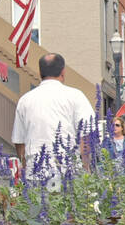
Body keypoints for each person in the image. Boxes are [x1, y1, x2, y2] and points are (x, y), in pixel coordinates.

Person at [11, 53, 96, 188]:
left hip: (35, 172)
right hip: (68, 171)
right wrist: (86, 168)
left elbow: (19, 141)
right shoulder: (76, 96)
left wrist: (26, 168)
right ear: (63, 72)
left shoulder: (25, 100)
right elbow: (86, 136)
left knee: (38, 208)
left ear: (40, 72)